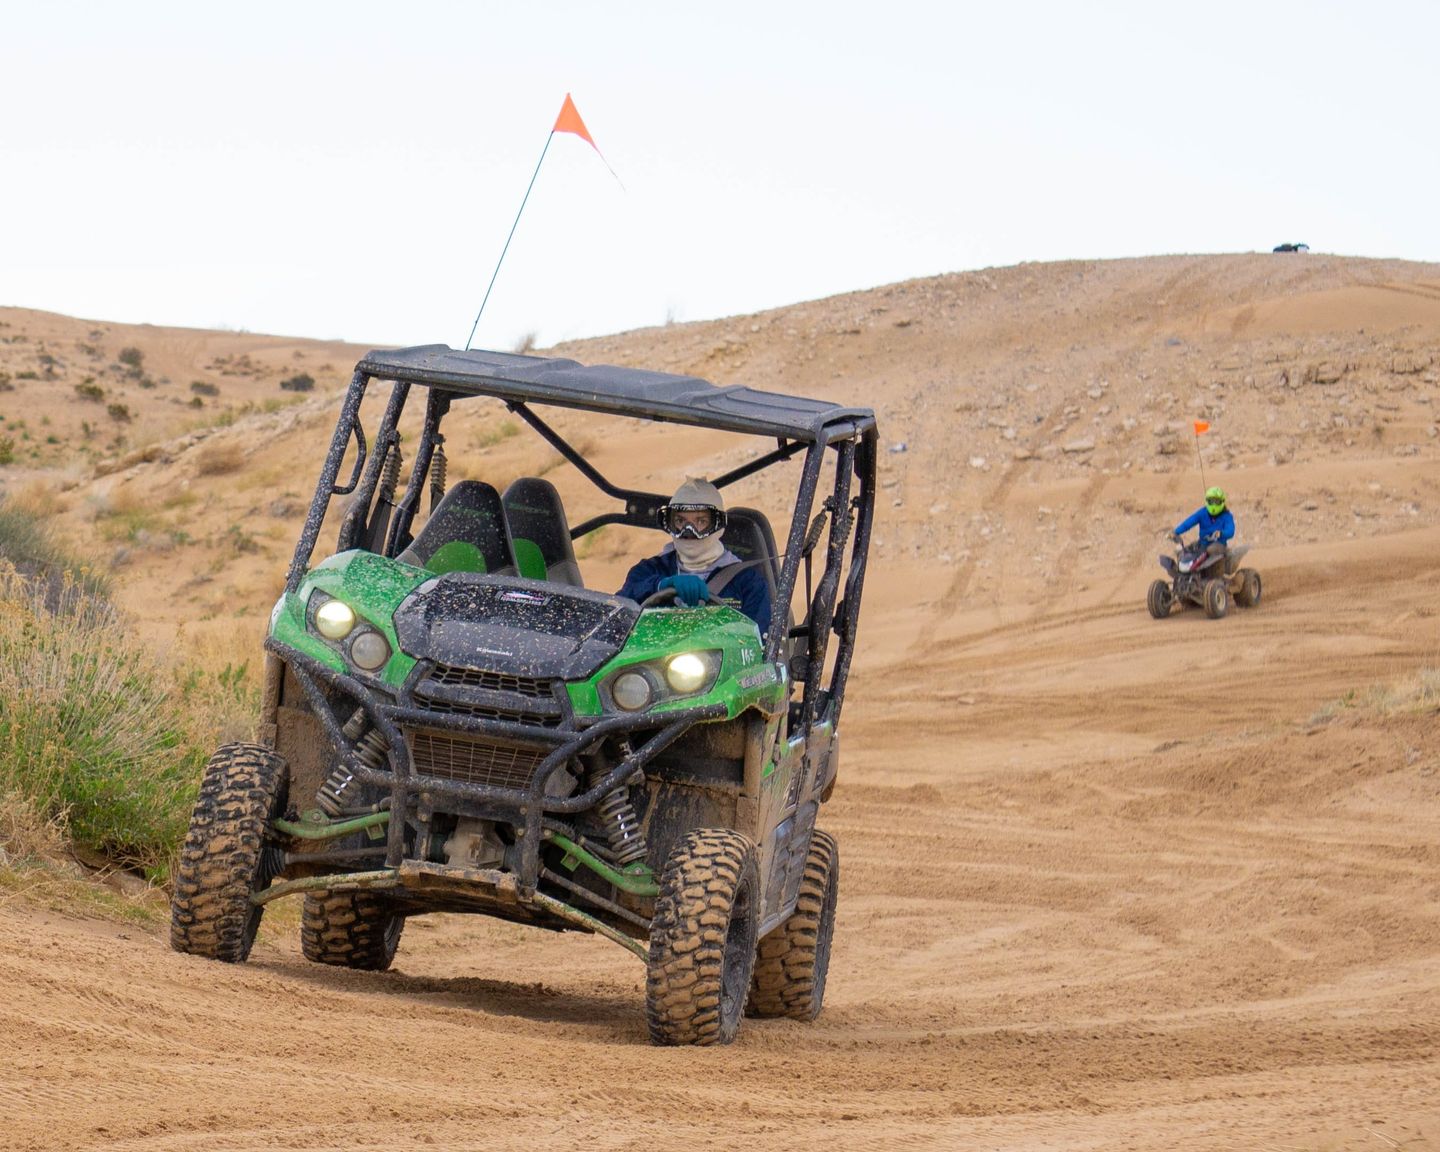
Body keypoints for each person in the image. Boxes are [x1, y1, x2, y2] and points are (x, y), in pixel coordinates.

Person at [618, 478, 772, 639]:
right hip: (654, 654)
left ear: (718, 525)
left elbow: (756, 642)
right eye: (680, 521)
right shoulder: (648, 570)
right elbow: (618, 610)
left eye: (701, 521)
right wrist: (660, 585)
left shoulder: (748, 582)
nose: (688, 531)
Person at [1173, 486, 1235, 567]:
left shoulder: (1227, 516)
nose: (1214, 504)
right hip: (1203, 543)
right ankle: (1183, 570)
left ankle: (1214, 570)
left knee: (1210, 550)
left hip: (1219, 545)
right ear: (1207, 501)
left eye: (1216, 501)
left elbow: (1231, 531)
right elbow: (1188, 523)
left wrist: (1221, 533)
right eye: (1211, 501)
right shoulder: (1202, 513)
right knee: (1183, 551)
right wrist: (1176, 532)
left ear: (1222, 502)